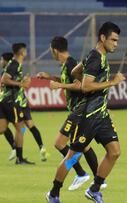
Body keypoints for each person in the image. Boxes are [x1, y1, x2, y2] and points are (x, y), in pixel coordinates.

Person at [46, 22, 125, 203]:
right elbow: (86, 86)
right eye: (113, 40)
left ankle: (94, 189)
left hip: (101, 114)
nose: (116, 44)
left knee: (114, 151)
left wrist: (83, 74)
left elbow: (74, 71)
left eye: (117, 40)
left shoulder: (94, 56)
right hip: (87, 115)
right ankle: (54, 193)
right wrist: (112, 83)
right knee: (71, 157)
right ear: (103, 38)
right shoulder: (96, 57)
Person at [37, 36, 100, 191]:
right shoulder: (66, 64)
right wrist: (50, 78)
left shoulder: (71, 63)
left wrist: (59, 85)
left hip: (79, 110)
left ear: (55, 50)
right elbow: (69, 81)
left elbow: (80, 85)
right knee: (83, 145)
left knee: (60, 143)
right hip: (77, 110)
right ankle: (98, 179)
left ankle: (82, 174)